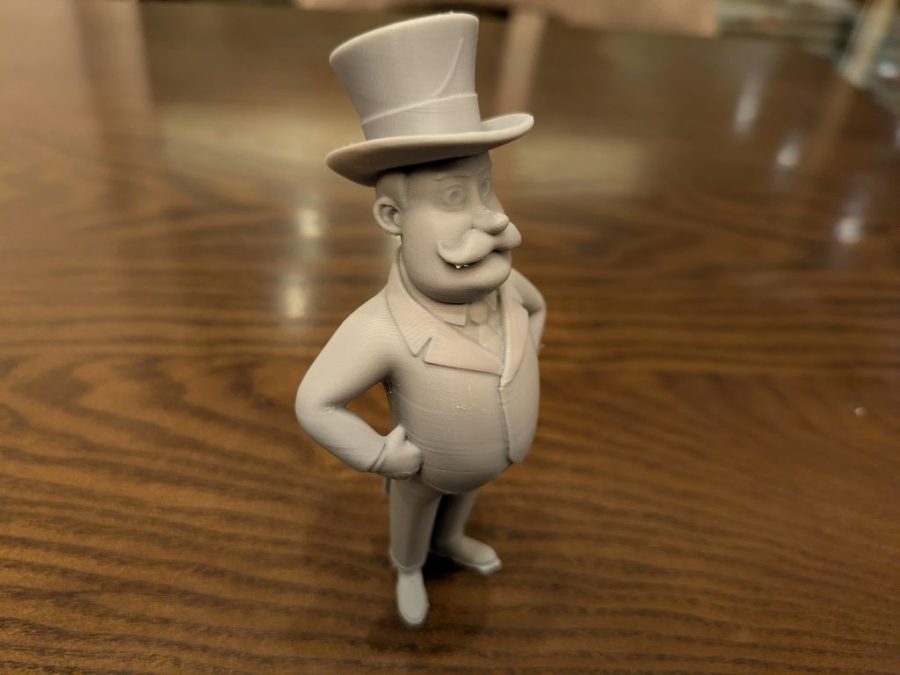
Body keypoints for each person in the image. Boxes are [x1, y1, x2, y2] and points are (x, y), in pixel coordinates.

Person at [295, 13, 545, 627]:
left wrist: (521, 363)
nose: (492, 219)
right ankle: (408, 565)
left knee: (465, 496)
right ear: (391, 217)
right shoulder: (379, 328)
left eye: (486, 189)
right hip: (422, 469)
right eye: (455, 197)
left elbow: (537, 308)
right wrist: (380, 457)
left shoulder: (508, 287)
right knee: (415, 511)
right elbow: (315, 403)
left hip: (488, 457)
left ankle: (451, 540)